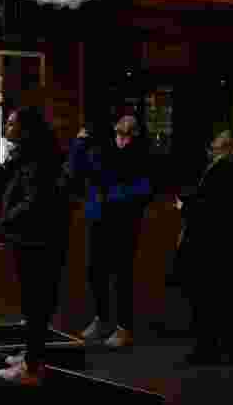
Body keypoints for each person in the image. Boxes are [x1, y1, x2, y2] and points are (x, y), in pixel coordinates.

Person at [0, 107, 73, 386]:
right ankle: (31, 354)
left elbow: (33, 202)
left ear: (26, 130)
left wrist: (5, 220)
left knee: (36, 302)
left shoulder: (36, 160)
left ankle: (32, 366)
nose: (7, 126)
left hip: (37, 240)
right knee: (33, 302)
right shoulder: (28, 157)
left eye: (12, 123)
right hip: (32, 238)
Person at [175, 130, 233, 364]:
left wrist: (184, 206)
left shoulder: (223, 169)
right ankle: (229, 347)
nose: (212, 142)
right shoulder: (228, 169)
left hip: (211, 246)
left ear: (226, 146)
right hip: (222, 245)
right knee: (222, 298)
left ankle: (209, 349)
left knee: (208, 298)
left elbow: (211, 208)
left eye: (218, 139)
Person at [81, 114, 152, 348]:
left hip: (123, 223)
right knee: (95, 271)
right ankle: (102, 319)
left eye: (128, 133)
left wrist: (111, 197)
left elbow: (142, 190)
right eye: (119, 132)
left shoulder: (141, 156)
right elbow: (82, 172)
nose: (122, 138)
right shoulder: (103, 151)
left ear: (136, 134)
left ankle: (124, 327)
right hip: (99, 218)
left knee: (122, 276)